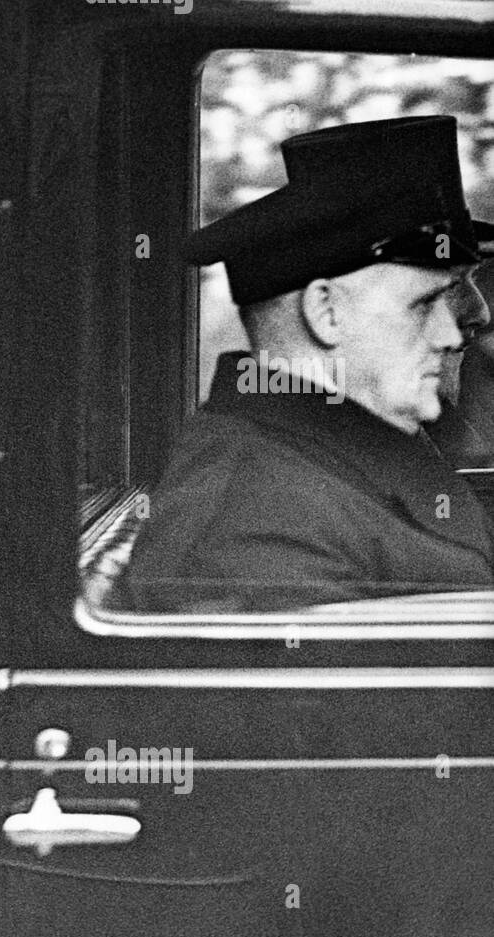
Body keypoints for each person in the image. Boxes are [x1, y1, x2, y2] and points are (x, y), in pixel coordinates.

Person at [114, 116, 494, 613]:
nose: (452, 332)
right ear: (326, 313)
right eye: (423, 304)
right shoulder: (254, 529)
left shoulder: (330, 452)